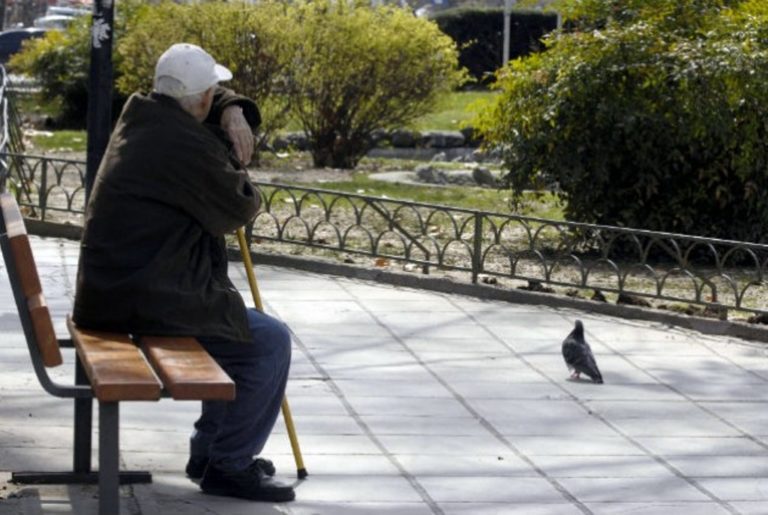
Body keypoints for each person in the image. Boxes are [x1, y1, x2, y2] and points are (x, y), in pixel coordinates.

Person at [72, 43, 295, 503]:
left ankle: (211, 452)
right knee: (268, 343)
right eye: (215, 93)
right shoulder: (181, 146)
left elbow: (203, 102)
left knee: (231, 326)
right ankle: (228, 465)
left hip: (123, 288)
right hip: (141, 297)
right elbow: (240, 205)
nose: (217, 98)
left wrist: (231, 110)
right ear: (199, 101)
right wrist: (230, 142)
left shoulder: (147, 117)